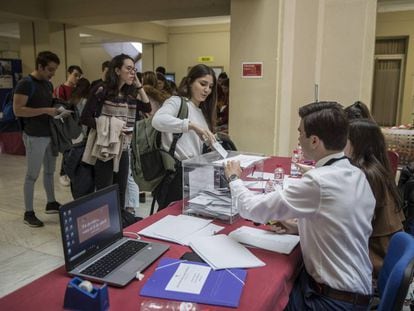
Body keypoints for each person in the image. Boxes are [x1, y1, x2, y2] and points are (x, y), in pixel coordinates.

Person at [224, 101, 375, 310]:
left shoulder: (319, 182)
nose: (298, 139)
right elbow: (340, 225)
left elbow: (252, 208)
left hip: (332, 301)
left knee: (255, 296)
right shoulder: (356, 174)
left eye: (300, 133)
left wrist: (233, 179)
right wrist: (298, 227)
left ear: (314, 141)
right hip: (356, 290)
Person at [81, 54, 151, 224]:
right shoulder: (102, 90)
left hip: (124, 147)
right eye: (128, 68)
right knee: (105, 188)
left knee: (120, 187)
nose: (132, 72)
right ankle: (105, 224)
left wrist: (139, 85)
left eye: (134, 69)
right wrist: (109, 127)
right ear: (117, 70)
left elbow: (148, 107)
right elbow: (85, 117)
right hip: (106, 146)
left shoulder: (130, 94)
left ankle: (117, 223)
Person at [152, 64, 217, 210]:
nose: (207, 90)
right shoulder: (177, 102)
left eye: (210, 86)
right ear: (190, 82)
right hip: (175, 174)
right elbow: (157, 121)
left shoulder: (202, 111)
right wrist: (191, 126)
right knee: (169, 218)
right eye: (202, 84)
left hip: (195, 173)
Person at [345, 118, 404, 278]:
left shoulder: (364, 174)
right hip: (383, 251)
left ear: (357, 143)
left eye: (345, 139)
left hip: (373, 256)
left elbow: (351, 224)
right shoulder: (377, 169)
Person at [13, 51, 61, 227]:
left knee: (50, 172)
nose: (52, 73)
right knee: (32, 175)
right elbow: (18, 110)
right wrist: (45, 110)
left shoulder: (47, 84)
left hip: (49, 133)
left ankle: (51, 202)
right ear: (39, 66)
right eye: (49, 69)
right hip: (34, 135)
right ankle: (29, 212)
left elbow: (47, 105)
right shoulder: (25, 84)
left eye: (54, 70)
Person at [54, 65, 83, 186]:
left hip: (76, 123)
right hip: (64, 123)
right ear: (69, 73)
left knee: (74, 149)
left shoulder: (78, 90)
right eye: (75, 75)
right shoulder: (60, 89)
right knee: (67, 149)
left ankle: (71, 172)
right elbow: (57, 107)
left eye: (78, 76)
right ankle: (63, 173)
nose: (76, 78)